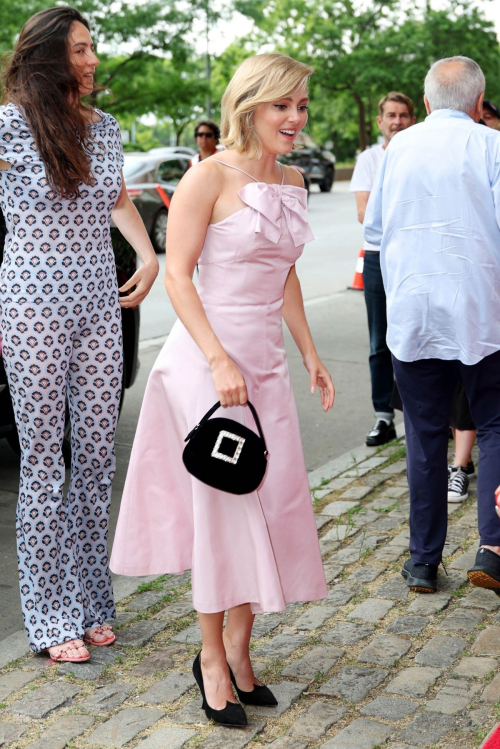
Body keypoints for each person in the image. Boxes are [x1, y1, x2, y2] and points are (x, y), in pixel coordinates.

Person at [110, 52, 334, 726]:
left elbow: (285, 273)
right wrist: (217, 359)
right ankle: (210, 658)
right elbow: (178, 275)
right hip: (208, 368)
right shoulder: (207, 175)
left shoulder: (292, 178)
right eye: (281, 106)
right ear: (249, 105)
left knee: (265, 503)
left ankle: (240, 648)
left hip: (263, 364)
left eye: (300, 105)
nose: (294, 118)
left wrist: (311, 353)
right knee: (223, 512)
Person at [0, 7, 158, 661]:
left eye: (93, 48)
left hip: (99, 308)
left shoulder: (108, 128)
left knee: (96, 463)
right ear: (46, 57)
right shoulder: (10, 126)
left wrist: (148, 255)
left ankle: (93, 600)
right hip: (33, 309)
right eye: (81, 49)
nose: (92, 60)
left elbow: (115, 196)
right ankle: (47, 616)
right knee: (44, 466)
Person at [364, 55, 500, 594]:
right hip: (480, 312)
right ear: (477, 102)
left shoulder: (398, 148)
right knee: (493, 426)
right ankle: (492, 547)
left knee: (422, 437)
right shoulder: (491, 145)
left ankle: (423, 560)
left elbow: (374, 231)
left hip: (415, 313)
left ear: (424, 103)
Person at [349, 92, 415, 447]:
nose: (397, 121)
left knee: (418, 334)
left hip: (414, 256)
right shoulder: (369, 159)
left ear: (412, 119)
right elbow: (364, 213)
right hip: (377, 257)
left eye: (404, 115)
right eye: (391, 115)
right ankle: (383, 417)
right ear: (380, 121)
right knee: (379, 340)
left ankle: (423, 415)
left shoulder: (421, 153)